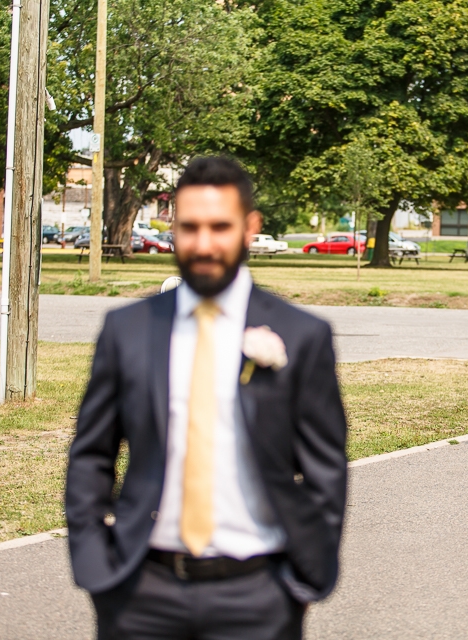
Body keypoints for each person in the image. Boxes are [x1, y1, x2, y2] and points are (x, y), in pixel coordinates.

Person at [65, 156, 348, 639]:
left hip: (258, 593)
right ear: (173, 227)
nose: (203, 244)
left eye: (220, 226)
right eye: (190, 227)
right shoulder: (127, 330)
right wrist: (96, 564)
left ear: (249, 228)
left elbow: (326, 469)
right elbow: (91, 454)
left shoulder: (302, 336)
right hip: (139, 592)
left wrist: (302, 580)